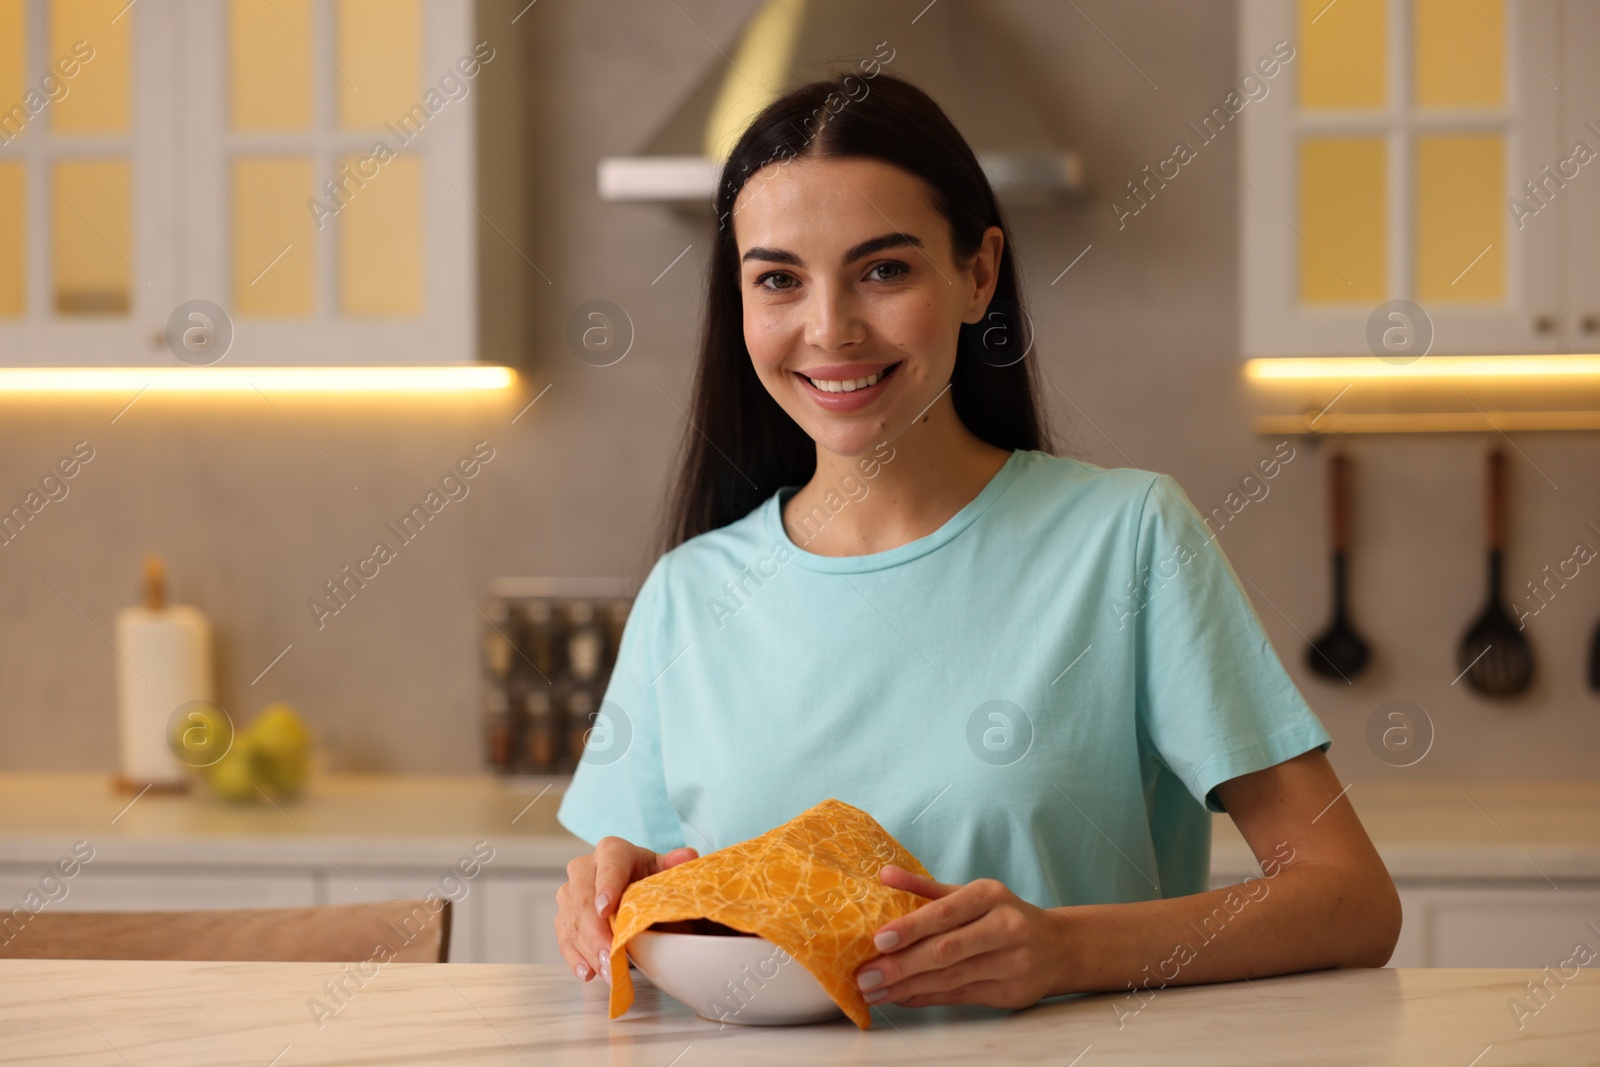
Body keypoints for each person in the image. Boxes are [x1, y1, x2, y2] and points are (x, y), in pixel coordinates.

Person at [554, 71, 1400, 1012]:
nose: (829, 328)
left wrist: (1063, 948)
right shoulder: (689, 590)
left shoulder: (1126, 540)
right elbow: (646, 903)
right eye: (779, 280)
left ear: (978, 273)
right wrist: (611, 893)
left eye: (884, 269)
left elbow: (1351, 900)